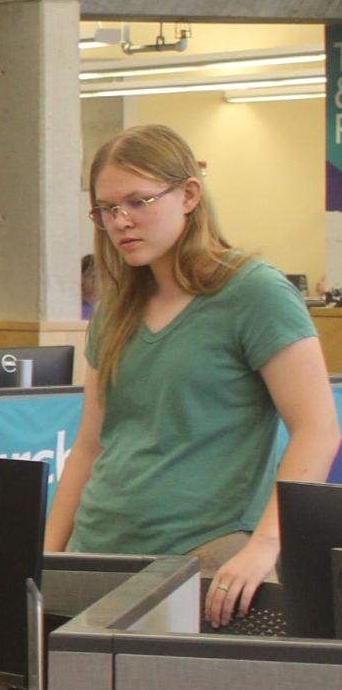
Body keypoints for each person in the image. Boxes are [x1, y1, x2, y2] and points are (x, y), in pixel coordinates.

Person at [44, 124, 340, 627]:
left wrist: (266, 546)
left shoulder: (254, 294)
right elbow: (90, 448)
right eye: (107, 209)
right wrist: (44, 559)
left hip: (204, 555)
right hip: (98, 551)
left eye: (139, 202)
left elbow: (317, 429)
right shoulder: (117, 305)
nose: (121, 222)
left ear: (189, 195)